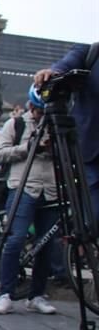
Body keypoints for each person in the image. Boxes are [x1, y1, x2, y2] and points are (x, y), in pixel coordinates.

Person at [0, 89, 58, 315]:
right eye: (38, 111)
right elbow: (0, 154)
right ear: (31, 107)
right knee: (15, 239)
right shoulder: (16, 124)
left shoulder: (56, 124)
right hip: (23, 187)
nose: (41, 116)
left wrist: (55, 146)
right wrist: (29, 148)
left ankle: (37, 295)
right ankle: (5, 294)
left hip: (51, 189)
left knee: (46, 244)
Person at [34, 42, 99, 224]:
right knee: (93, 217)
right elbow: (65, 65)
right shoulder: (90, 53)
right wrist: (52, 72)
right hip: (91, 152)